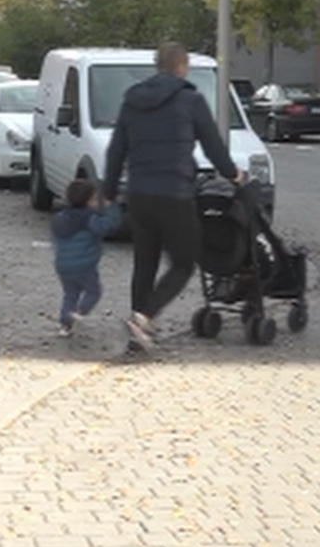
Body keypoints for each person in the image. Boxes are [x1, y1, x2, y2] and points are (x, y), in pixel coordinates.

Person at [101, 41, 244, 348]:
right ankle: (144, 318)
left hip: (138, 194)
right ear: (182, 66)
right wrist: (234, 174)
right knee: (184, 262)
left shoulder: (132, 100)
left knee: (145, 263)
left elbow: (116, 150)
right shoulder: (190, 100)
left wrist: (109, 190)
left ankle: (138, 329)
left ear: (157, 66)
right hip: (175, 195)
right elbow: (213, 147)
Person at [50, 179, 122, 337]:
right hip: (84, 266)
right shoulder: (88, 219)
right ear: (89, 201)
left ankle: (64, 325)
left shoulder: (60, 218)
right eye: (95, 199)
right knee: (93, 291)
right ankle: (80, 311)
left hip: (62, 265)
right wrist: (111, 206)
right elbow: (108, 226)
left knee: (70, 294)